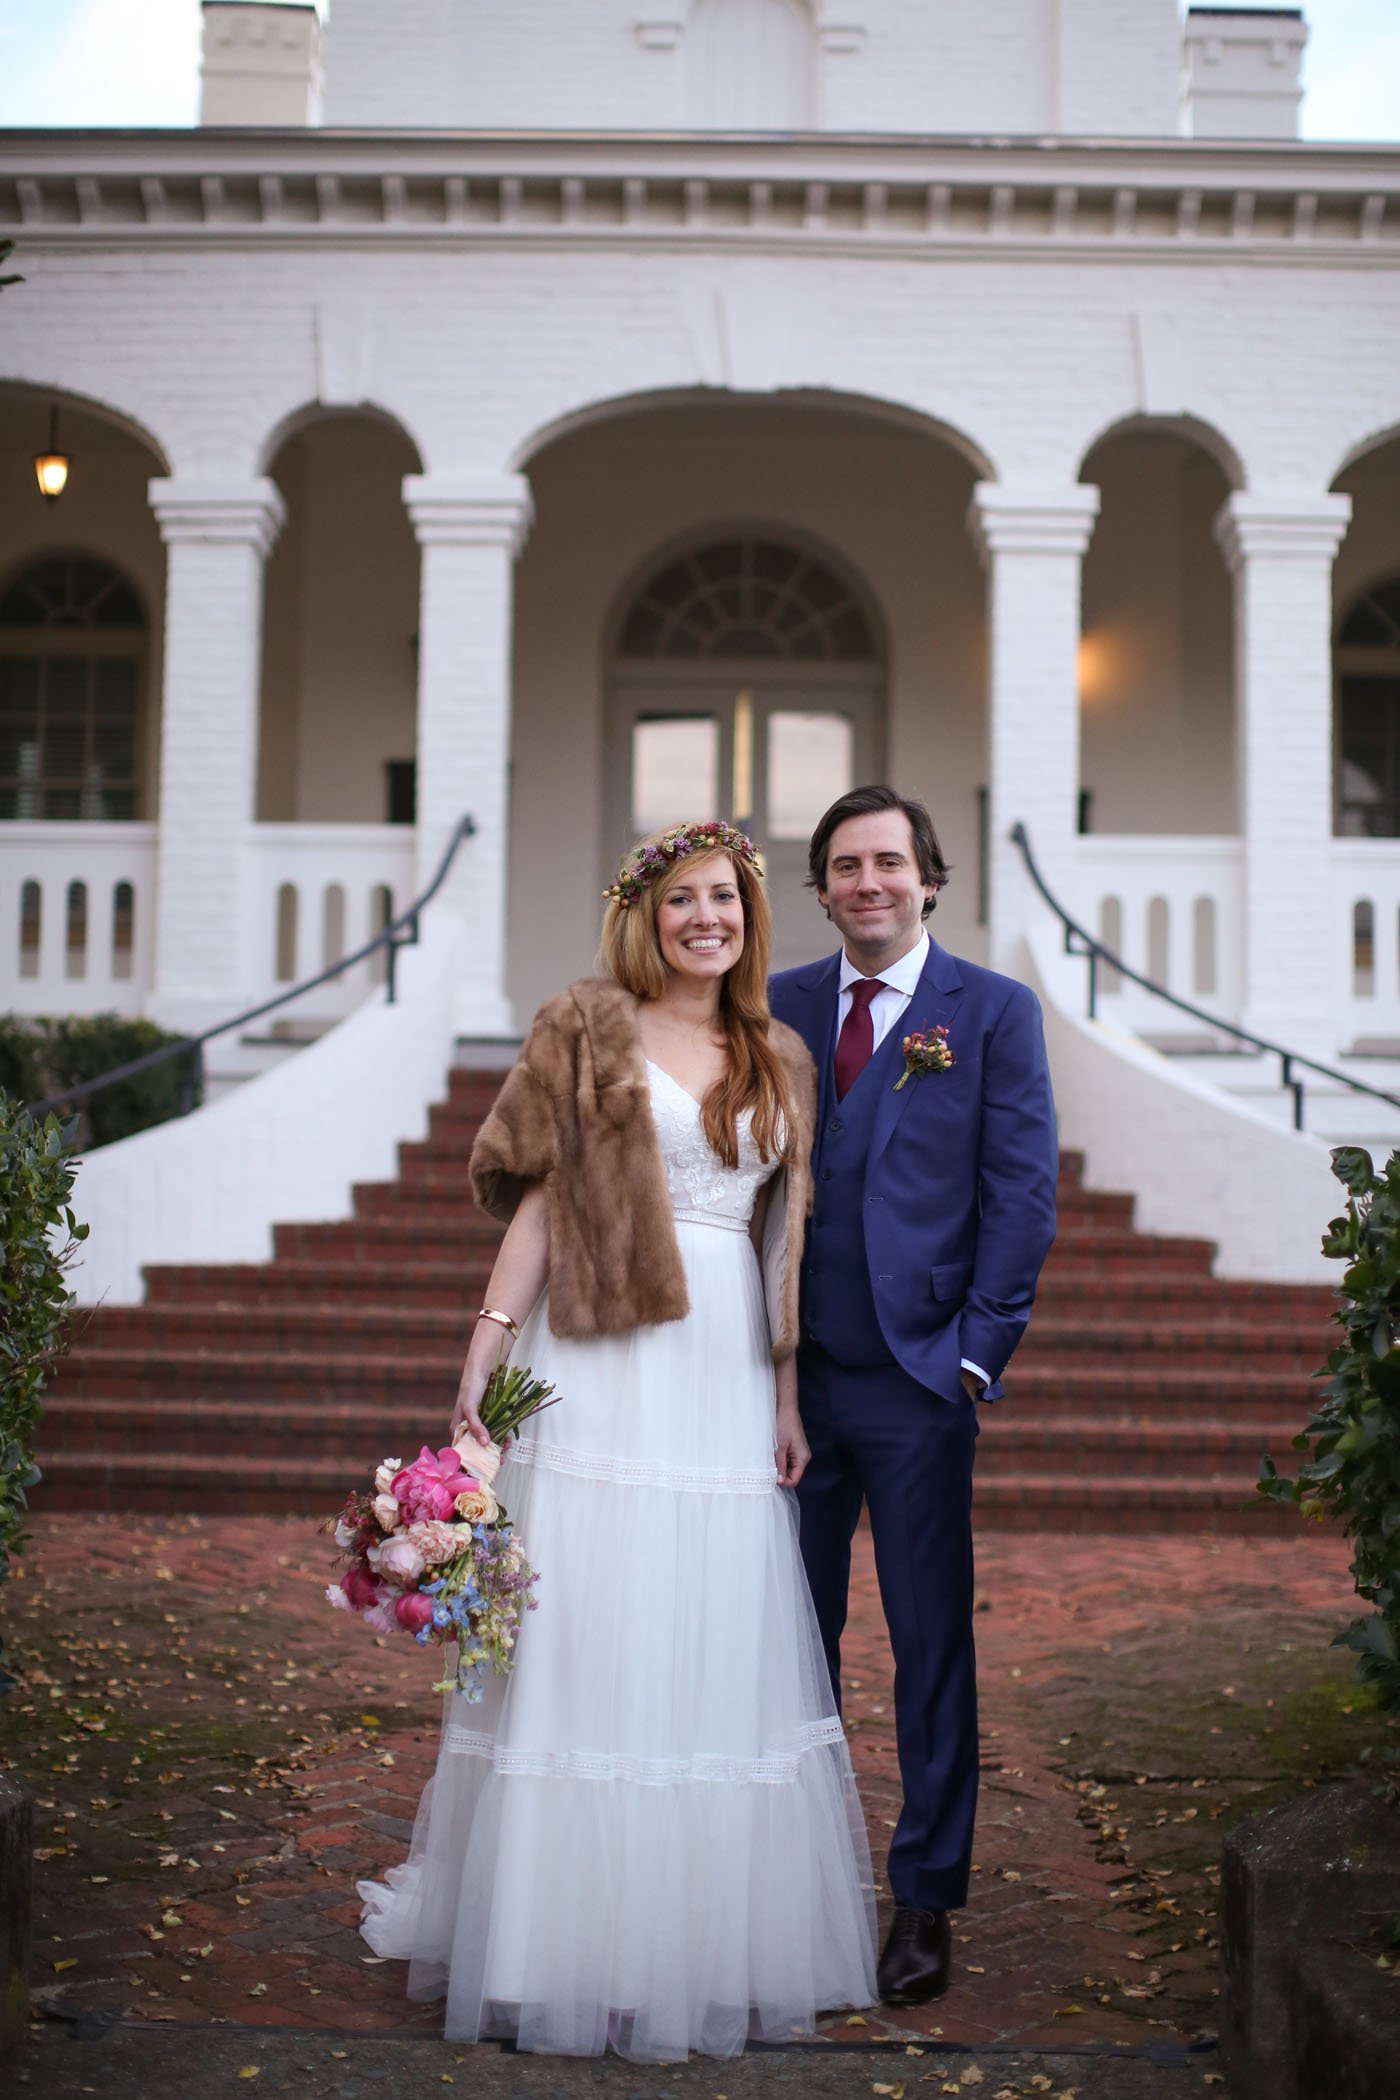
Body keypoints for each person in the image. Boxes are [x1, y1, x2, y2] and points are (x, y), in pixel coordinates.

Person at [358, 820, 877, 2061]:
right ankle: (551, 1939)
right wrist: (487, 1336)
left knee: (696, 1629)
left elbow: (777, 1242)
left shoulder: (776, 1052)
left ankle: (687, 1937)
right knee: (583, 1625)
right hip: (597, 1355)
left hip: (719, 1372)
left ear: (751, 918)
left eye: (728, 899)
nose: (708, 918)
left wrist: (787, 1395)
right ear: (643, 915)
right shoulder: (583, 1025)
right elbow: (538, 1197)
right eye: (684, 899)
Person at [768, 784, 1057, 2008]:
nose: (867, 883)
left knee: (930, 1645)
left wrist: (975, 1355)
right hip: (785, 1384)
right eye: (844, 865)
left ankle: (924, 1898)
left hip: (918, 1381)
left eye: (889, 862)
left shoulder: (987, 1013)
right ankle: (792, 1880)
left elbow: (1020, 1191)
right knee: (786, 1643)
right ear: (820, 886)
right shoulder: (775, 1005)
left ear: (928, 879)